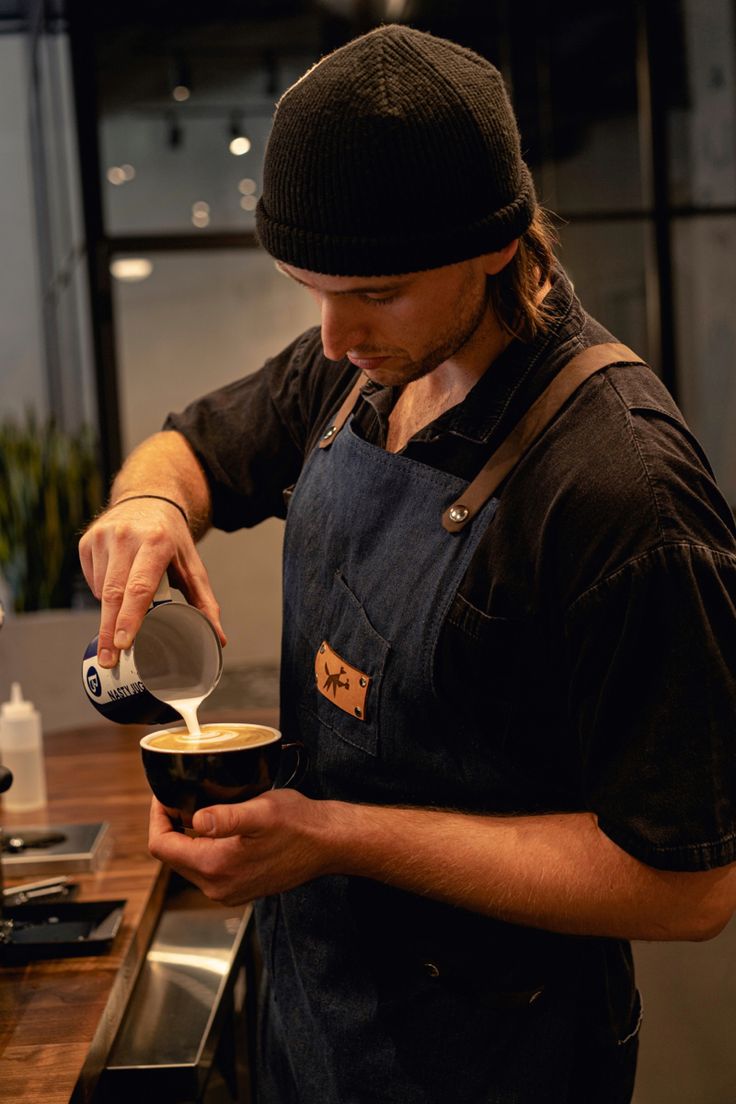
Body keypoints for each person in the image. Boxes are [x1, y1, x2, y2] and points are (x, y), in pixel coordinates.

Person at [79, 24, 736, 1104]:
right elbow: (190, 446)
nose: (333, 337)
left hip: (492, 1058)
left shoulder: (621, 491)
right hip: (312, 1014)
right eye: (309, 287)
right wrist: (147, 502)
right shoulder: (356, 371)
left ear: (499, 244)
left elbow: (684, 884)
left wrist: (333, 837)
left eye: (373, 294)